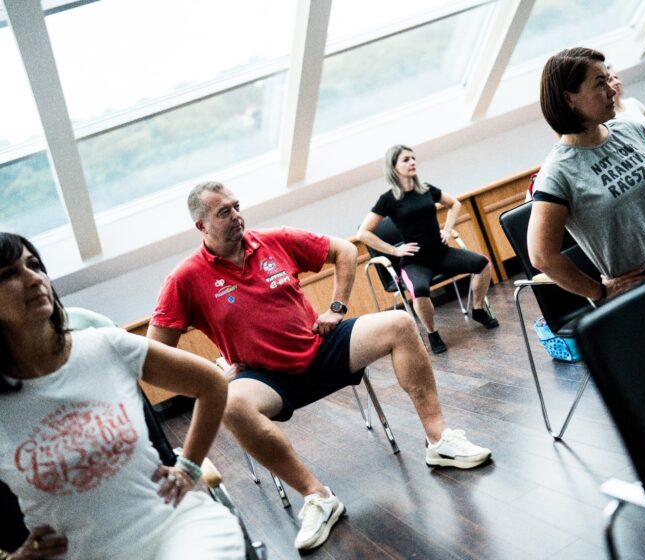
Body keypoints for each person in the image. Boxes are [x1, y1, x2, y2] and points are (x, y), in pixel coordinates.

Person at [147, 181, 492, 551]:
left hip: (320, 346)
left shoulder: (274, 240)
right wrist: (211, 376)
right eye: (223, 212)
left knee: (400, 324)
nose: (236, 216)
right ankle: (318, 496)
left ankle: (438, 440)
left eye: (236, 206)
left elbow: (345, 250)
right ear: (201, 226)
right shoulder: (185, 278)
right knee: (231, 405)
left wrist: (337, 308)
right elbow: (153, 353)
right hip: (265, 377)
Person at [0, 233, 244, 560]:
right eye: (9, 274)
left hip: (171, 526)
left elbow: (211, 382)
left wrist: (187, 469)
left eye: (34, 265)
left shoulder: (105, 345)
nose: (33, 279)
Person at [528, 47, 645, 304]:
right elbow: (542, 256)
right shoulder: (556, 173)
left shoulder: (631, 129)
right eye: (600, 84)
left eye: (608, 80)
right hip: (640, 290)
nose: (612, 90)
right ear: (569, 99)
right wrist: (599, 292)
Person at [357, 145, 498, 354]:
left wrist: (447, 229)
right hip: (415, 262)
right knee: (420, 291)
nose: (412, 162)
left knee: (483, 264)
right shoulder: (388, 200)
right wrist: (394, 251)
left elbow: (454, 204)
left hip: (442, 253)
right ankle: (433, 333)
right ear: (394, 167)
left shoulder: (426, 189)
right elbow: (363, 233)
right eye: (406, 160)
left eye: (413, 158)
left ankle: (478, 309)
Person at [606, 65, 645, 134]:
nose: (617, 82)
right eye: (610, 80)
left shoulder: (633, 102)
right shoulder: (609, 118)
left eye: (616, 77)